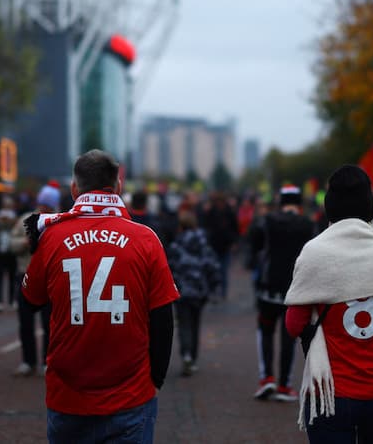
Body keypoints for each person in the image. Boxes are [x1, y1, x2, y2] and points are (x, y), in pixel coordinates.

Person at [21, 149, 179, 443]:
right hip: (131, 395)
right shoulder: (146, 239)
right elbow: (162, 318)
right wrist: (156, 379)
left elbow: (30, 300)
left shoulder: (51, 236)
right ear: (118, 187)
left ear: (74, 189)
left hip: (67, 396)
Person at [284, 165, 373, 443]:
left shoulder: (313, 253)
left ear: (329, 206)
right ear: (369, 205)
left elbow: (293, 326)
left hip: (330, 394)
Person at [249, 184, 315, 401]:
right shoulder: (307, 224)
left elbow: (254, 248)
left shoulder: (266, 222)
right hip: (295, 289)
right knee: (289, 336)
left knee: (265, 332)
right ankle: (285, 385)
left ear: (280, 203)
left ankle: (266, 378)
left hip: (268, 288)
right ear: (299, 203)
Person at [8, 183, 59, 376]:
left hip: (49, 279)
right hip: (25, 276)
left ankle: (47, 361)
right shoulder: (25, 220)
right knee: (25, 321)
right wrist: (24, 242)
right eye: (44, 203)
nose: (46, 207)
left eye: (49, 204)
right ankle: (28, 361)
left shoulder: (57, 221)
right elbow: (10, 244)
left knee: (50, 322)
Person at [167, 202, 221, 376]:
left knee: (184, 324)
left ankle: (186, 354)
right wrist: (213, 286)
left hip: (182, 290)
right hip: (200, 289)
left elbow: (170, 268)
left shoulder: (176, 245)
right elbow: (212, 265)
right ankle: (193, 357)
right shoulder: (203, 243)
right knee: (196, 322)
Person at [199, 190, 239, 300]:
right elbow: (206, 226)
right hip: (214, 244)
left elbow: (235, 228)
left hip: (225, 245)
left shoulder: (229, 212)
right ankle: (215, 291)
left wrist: (234, 242)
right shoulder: (211, 212)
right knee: (215, 270)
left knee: (224, 270)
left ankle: (223, 292)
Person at [0, 196, 18, 313]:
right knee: (10, 278)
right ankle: (9, 301)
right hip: (9, 252)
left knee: (2, 278)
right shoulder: (15, 219)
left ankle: (0, 302)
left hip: (2, 251)